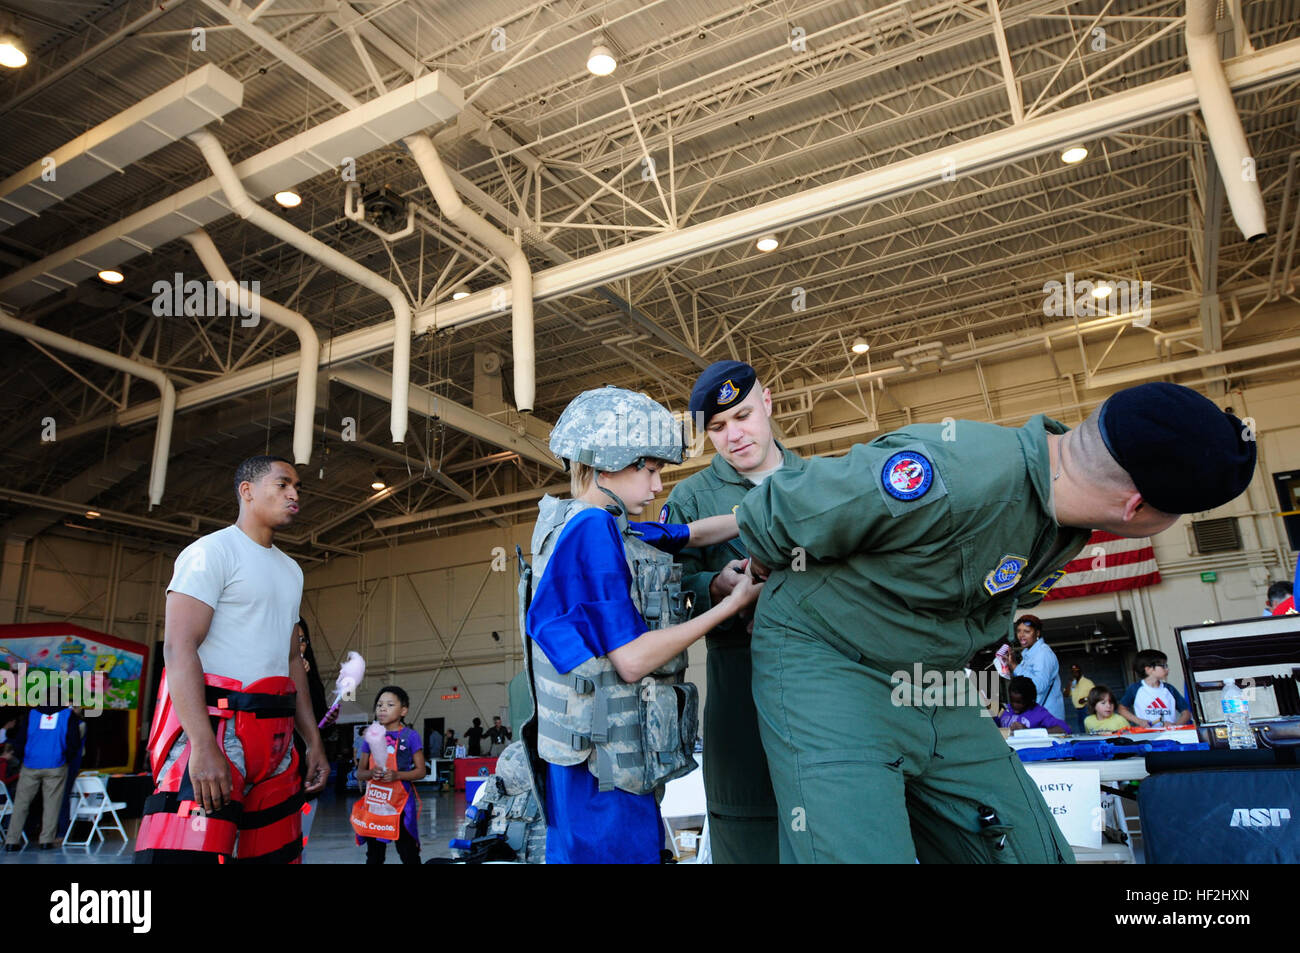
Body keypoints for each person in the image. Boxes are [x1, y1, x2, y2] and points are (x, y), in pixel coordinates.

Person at [736, 381, 1255, 863]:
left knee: (1026, 850)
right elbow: (775, 510)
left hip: (934, 680)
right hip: (830, 667)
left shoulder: (1059, 516)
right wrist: (763, 565)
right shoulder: (953, 473)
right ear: (1137, 507)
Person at [523, 387, 762, 864]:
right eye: (649, 470)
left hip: (590, 762)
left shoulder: (588, 522)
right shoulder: (593, 532)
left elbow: (691, 534)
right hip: (605, 775)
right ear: (610, 462)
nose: (657, 488)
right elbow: (631, 661)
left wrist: (759, 511)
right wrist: (732, 604)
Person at [134, 455, 329, 863]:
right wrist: (203, 746)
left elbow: (293, 661)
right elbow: (178, 648)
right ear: (247, 491)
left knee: (275, 856)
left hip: (275, 741)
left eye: (298, 487)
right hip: (216, 733)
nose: (294, 494)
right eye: (283, 484)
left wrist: (312, 742)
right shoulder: (210, 553)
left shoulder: (292, 571)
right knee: (189, 856)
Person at [662, 360, 808, 864]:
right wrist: (714, 586)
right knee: (745, 822)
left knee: (835, 817)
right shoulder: (690, 499)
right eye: (718, 428)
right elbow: (663, 597)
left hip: (829, 681)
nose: (734, 435)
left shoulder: (822, 480)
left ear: (767, 404)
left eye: (743, 416)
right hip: (740, 681)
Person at [354, 686, 424, 865]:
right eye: (379, 705)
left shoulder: (410, 736)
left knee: (408, 853)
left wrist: (397, 775)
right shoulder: (371, 736)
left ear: (403, 710)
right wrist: (371, 773)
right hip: (375, 805)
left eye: (389, 704)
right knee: (374, 856)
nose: (382, 708)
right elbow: (360, 773)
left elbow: (421, 771)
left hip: (400, 806)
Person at [3, 705, 80, 850]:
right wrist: (65, 759)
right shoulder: (68, 715)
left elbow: (20, 739)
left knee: (21, 804)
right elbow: (74, 742)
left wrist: (24, 758)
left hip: (31, 764)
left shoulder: (31, 714)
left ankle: (11, 841)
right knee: (52, 804)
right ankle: (46, 841)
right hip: (55, 764)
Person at [1117, 650, 1192, 728]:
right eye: (1163, 666)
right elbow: (1121, 709)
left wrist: (1175, 725)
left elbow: (1186, 712)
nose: (1167, 669)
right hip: (1147, 735)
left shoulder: (1169, 689)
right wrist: (1139, 721)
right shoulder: (1135, 689)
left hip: (1170, 735)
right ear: (1148, 669)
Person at [1012, 615, 1064, 720]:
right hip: (1035, 717)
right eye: (1019, 631)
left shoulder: (1043, 653)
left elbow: (1038, 686)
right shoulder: (1028, 655)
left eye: (1027, 631)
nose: (1021, 635)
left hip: (1048, 719)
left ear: (1037, 633)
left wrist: (1015, 666)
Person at [996, 677, 1070, 734]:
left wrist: (1028, 731)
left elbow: (1065, 729)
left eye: (1019, 702)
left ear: (1030, 700)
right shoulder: (1006, 709)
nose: (1014, 705)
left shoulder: (1039, 713)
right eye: (1012, 701)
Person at [1067, 664, 1095, 734]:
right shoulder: (1073, 684)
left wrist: (1085, 699)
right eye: (1072, 672)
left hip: (1086, 708)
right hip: (1077, 710)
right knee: (1081, 729)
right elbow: (1066, 695)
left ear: (1080, 672)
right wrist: (1070, 684)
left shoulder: (1087, 682)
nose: (1074, 673)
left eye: (1076, 671)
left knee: (1089, 728)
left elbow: (1095, 695)